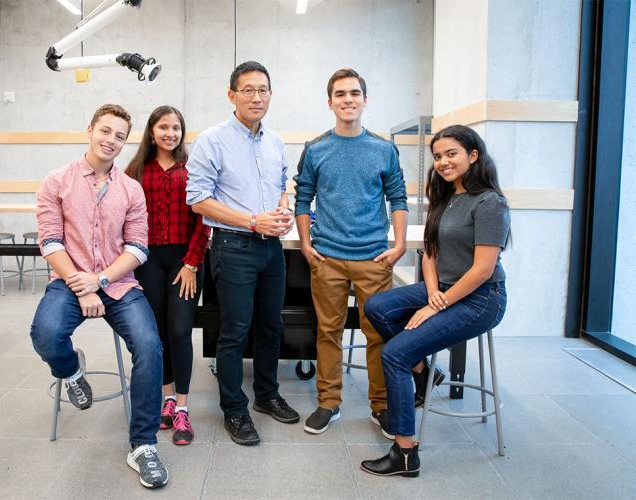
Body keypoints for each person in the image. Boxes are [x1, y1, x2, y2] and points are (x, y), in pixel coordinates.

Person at [31, 104, 168, 489]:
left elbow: (139, 248)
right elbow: (51, 240)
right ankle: (71, 370)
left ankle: (143, 445)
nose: (111, 141)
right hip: (69, 281)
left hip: (118, 284)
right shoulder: (57, 182)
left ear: (125, 143)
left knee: (149, 346)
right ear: (89, 129)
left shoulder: (131, 189)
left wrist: (101, 281)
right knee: (45, 332)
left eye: (120, 136)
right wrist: (80, 282)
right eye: (105, 131)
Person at [360, 124, 510, 477]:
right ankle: (426, 372)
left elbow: (483, 270)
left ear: (473, 156)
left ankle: (405, 453)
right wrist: (432, 293)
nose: (443, 162)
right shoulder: (445, 197)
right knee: (376, 307)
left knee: (395, 354)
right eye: (438, 156)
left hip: (480, 299)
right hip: (442, 287)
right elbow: (430, 252)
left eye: (451, 154)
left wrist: (435, 306)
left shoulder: (491, 203)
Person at [186, 61, 300, 446]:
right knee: (235, 331)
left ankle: (267, 395)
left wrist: (282, 210)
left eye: (263, 89)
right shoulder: (212, 140)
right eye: (248, 89)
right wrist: (253, 221)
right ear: (231, 94)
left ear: (271, 94)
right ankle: (234, 410)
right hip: (233, 247)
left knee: (272, 326)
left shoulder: (275, 141)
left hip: (272, 248)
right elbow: (198, 200)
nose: (257, 96)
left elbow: (282, 183)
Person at [294, 68, 409, 436]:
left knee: (378, 334)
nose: (348, 99)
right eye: (340, 94)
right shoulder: (315, 149)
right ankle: (329, 402)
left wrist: (400, 244)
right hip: (327, 259)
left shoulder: (383, 149)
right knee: (328, 332)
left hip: (373, 258)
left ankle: (381, 405)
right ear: (330, 103)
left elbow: (398, 197)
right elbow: (302, 197)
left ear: (364, 100)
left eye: (354, 93)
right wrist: (308, 245)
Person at [125, 105, 210, 446]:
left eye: (176, 127)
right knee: (158, 333)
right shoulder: (134, 171)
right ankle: (168, 399)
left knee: (179, 330)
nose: (170, 133)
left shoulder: (193, 169)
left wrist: (191, 264)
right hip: (148, 262)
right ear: (151, 131)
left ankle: (184, 409)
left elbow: (204, 220)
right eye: (163, 127)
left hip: (185, 262)